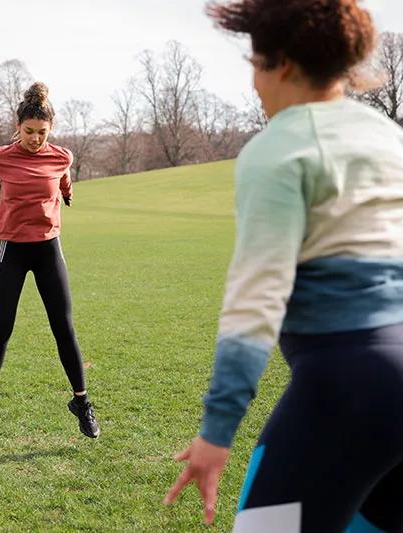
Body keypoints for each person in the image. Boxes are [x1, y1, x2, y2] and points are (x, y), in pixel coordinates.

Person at [163, 1, 403, 530]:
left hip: (349, 384)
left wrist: (217, 430)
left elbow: (255, 304)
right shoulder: (390, 138)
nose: (253, 83)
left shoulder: (278, 149)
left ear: (285, 65)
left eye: (255, 65)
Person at [0, 82, 100, 441]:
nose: (35, 139)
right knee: (1, 329)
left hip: (47, 248)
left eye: (42, 133)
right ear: (18, 127)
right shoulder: (1, 157)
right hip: (11, 249)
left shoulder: (61, 156)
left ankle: (82, 403)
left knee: (64, 327)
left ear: (50, 130)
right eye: (29, 132)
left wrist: (68, 196)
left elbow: (64, 181)